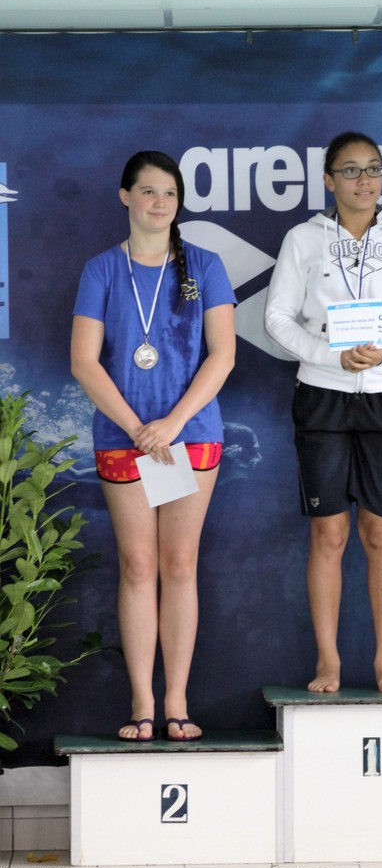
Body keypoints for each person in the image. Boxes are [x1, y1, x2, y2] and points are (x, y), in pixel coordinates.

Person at [265, 130, 382, 693]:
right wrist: (329, 356)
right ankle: (329, 662)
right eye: (350, 170)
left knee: (381, 533)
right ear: (328, 180)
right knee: (329, 534)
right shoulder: (302, 239)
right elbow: (276, 317)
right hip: (322, 393)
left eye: (373, 169)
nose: (364, 180)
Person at [71, 150, 236, 741]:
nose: (159, 202)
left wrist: (172, 423)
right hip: (124, 437)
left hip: (190, 436)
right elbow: (84, 362)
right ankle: (142, 701)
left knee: (180, 564)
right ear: (125, 197)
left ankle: (176, 702)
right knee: (138, 566)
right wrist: (139, 427)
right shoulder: (101, 270)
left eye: (169, 192)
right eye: (147, 191)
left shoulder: (206, 265)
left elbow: (223, 355)